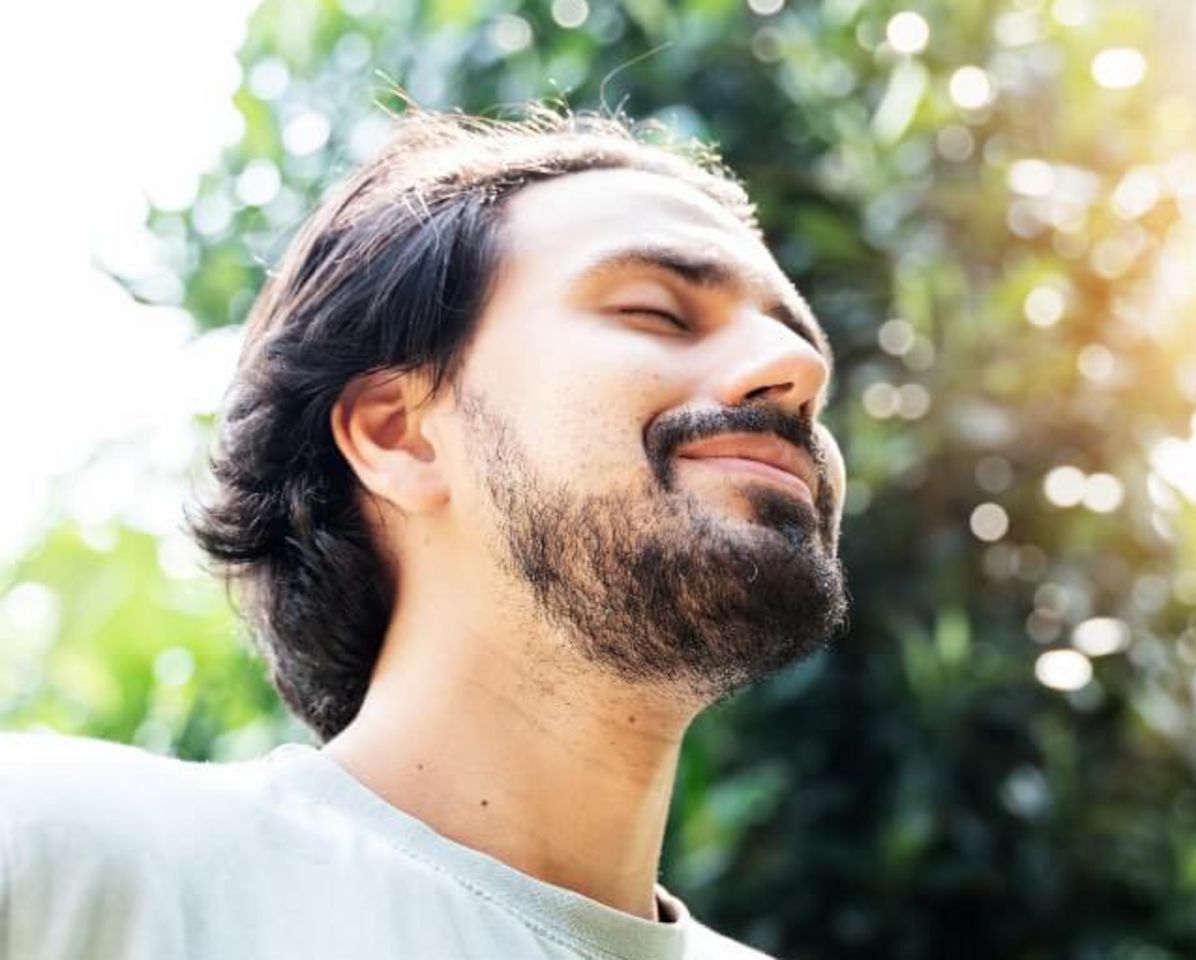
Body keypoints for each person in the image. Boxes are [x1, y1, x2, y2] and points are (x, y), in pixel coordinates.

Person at [0, 109, 850, 959]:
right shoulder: (61, 860)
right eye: (657, 312)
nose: (801, 371)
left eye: (796, 339)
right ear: (396, 434)